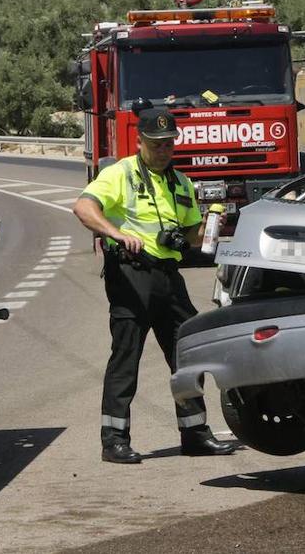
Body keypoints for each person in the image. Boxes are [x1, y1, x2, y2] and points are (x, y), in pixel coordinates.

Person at [72, 107, 236, 464]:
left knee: (187, 352)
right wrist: (117, 233)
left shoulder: (181, 182)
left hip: (167, 276)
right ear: (139, 141)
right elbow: (83, 207)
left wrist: (211, 224)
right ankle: (114, 440)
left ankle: (194, 433)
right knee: (126, 356)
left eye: (168, 144)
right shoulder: (121, 174)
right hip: (131, 274)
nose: (163, 150)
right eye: (156, 144)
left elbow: (192, 238)